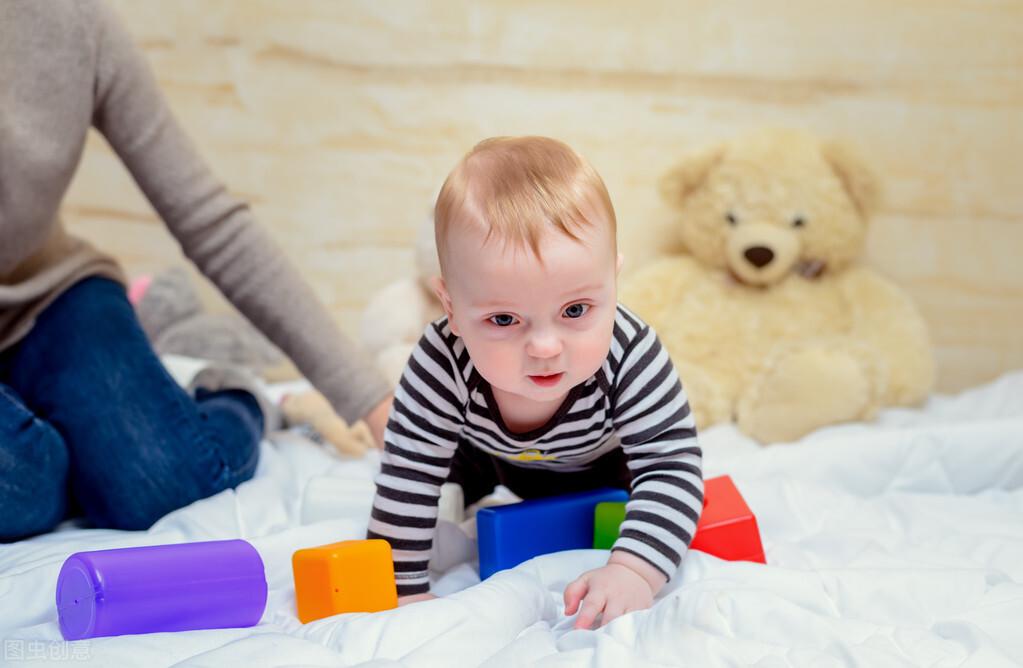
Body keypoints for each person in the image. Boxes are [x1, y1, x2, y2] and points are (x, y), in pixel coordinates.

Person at [0, 0, 391, 541]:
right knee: (25, 482)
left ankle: (235, 395)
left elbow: (210, 222)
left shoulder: (73, 21)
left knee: (161, 482)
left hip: (45, 300)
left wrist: (372, 398)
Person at [366, 136, 703, 629]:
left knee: (659, 500)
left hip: (607, 465)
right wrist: (401, 590)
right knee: (438, 483)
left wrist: (633, 570)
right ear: (451, 308)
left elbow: (672, 465)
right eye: (504, 319)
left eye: (575, 310)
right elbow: (409, 468)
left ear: (613, 279)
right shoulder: (441, 359)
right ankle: (454, 514)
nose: (545, 347)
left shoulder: (630, 351)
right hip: (492, 457)